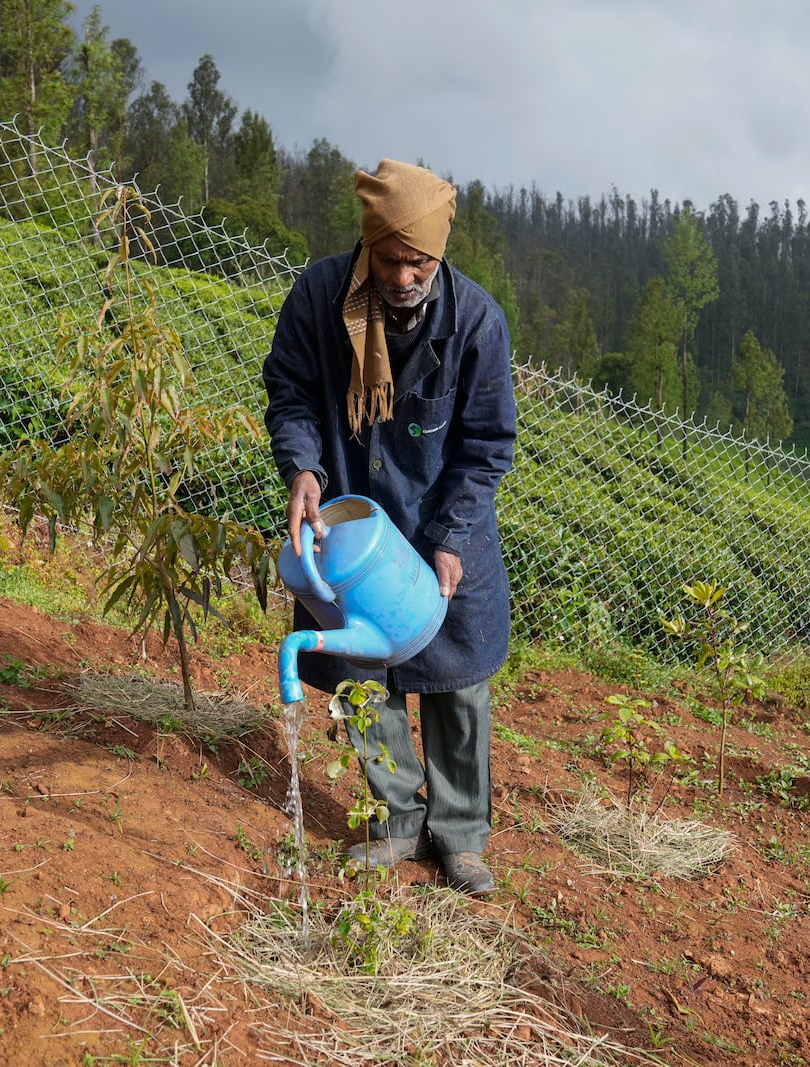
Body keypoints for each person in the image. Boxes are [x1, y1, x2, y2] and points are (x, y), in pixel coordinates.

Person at [263, 159, 517, 896]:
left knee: (456, 683)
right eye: (391, 260)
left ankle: (461, 835)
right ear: (366, 247)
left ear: (439, 255)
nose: (405, 278)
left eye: (420, 262)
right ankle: (395, 821)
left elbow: (486, 444)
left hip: (444, 528)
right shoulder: (317, 300)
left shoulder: (475, 322)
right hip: (352, 526)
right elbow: (291, 393)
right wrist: (304, 468)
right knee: (361, 676)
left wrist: (448, 537)